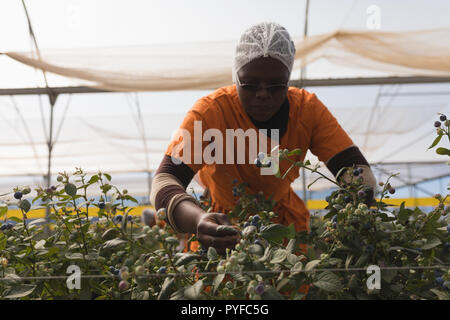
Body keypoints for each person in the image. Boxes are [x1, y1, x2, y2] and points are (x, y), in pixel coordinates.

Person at [149, 22, 376, 255]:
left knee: (287, 288)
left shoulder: (307, 111)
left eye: (277, 85)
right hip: (221, 228)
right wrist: (199, 220)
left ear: (288, 79)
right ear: (236, 77)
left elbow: (357, 171)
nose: (263, 94)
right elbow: (165, 181)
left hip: (284, 232)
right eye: (250, 84)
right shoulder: (212, 113)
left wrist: (346, 222)